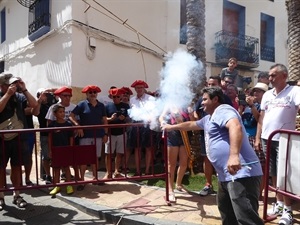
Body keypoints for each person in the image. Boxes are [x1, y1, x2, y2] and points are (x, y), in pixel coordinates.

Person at [162, 86, 264, 225]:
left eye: (204, 99)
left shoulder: (223, 110)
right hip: (226, 176)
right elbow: (191, 124)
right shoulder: (209, 118)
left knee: (246, 219)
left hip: (242, 173)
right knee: (228, 215)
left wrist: (234, 156)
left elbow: (235, 127)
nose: (201, 103)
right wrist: (170, 127)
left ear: (215, 99)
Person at [255, 64, 300, 225]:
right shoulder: (267, 94)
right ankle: (279, 204)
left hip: (285, 140)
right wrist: (258, 137)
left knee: (285, 175)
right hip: (268, 138)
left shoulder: (294, 91)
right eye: (270, 75)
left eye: (274, 75)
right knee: (273, 172)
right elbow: (262, 116)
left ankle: (288, 210)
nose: (270, 78)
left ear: (284, 76)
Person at [0, 73, 37, 211]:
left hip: (18, 139)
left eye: (15, 83)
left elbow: (34, 105)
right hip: (1, 139)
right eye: (10, 84)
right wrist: (8, 95)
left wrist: (25, 89)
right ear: (2, 86)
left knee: (16, 167)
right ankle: (1, 196)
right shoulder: (5, 95)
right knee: (1, 169)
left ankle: (17, 195)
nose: (14, 86)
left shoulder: (20, 97)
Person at [69, 85, 108, 189]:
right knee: (84, 158)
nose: (93, 94)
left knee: (96, 157)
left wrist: (105, 133)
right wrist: (78, 126)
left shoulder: (101, 106)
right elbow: (71, 116)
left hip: (98, 135)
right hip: (85, 135)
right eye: (90, 92)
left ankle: (96, 178)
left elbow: (104, 120)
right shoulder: (82, 104)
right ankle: (82, 180)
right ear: (86, 94)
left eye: (94, 92)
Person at [239, 82, 268, 202]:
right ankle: (248, 191)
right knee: (245, 165)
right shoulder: (247, 105)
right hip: (245, 138)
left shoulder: (263, 106)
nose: (255, 93)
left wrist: (252, 106)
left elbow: (259, 120)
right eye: (254, 91)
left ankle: (259, 193)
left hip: (256, 138)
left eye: (259, 91)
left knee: (260, 166)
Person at [159, 106, 192, 202]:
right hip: (173, 136)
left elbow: (193, 120)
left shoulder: (187, 106)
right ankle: (170, 190)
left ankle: (178, 184)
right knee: (171, 164)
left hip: (185, 136)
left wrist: (191, 114)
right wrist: (162, 122)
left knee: (183, 163)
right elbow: (161, 117)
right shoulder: (169, 106)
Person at [127, 80, 155, 176]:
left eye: (141, 88)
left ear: (144, 89)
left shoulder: (151, 99)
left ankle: (147, 170)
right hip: (136, 125)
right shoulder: (132, 100)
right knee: (137, 148)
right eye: (137, 88)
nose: (139, 89)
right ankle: (138, 170)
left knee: (148, 148)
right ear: (135, 89)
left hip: (147, 125)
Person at [48, 104, 74, 195]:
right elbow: (50, 138)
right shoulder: (52, 125)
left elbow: (71, 138)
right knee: (56, 169)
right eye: (60, 112)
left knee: (66, 168)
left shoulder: (68, 124)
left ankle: (69, 185)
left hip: (65, 149)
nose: (62, 113)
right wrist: (50, 150)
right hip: (55, 149)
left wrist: (70, 148)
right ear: (55, 114)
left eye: (63, 112)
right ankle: (57, 186)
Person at [104, 88, 130, 179]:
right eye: (114, 97)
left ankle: (116, 171)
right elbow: (103, 119)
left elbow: (130, 119)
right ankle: (108, 173)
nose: (116, 98)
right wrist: (110, 119)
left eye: (118, 97)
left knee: (119, 153)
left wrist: (124, 119)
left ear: (121, 96)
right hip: (110, 133)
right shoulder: (107, 106)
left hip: (122, 133)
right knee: (108, 154)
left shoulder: (126, 106)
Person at [35, 88, 58, 184]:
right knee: (46, 155)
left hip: (56, 134)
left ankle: (62, 173)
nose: (46, 96)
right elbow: (35, 112)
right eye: (44, 94)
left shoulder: (52, 105)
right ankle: (48, 175)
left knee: (58, 154)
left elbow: (59, 95)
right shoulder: (38, 105)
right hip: (45, 134)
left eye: (46, 95)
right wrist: (39, 100)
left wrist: (52, 90)